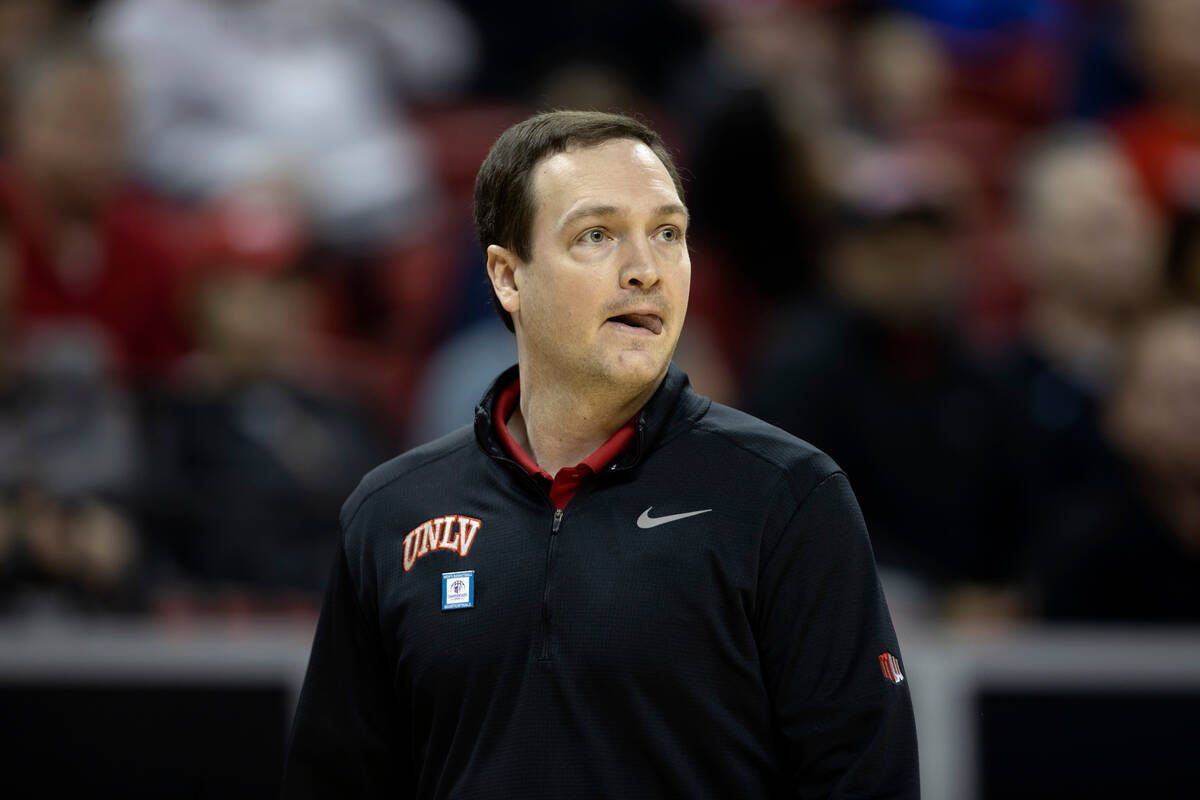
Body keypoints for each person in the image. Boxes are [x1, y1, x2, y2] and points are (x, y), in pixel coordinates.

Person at [283, 110, 918, 798]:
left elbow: (864, 778)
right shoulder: (392, 513)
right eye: (597, 235)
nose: (646, 270)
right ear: (508, 277)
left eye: (667, 233)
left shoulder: (787, 496)